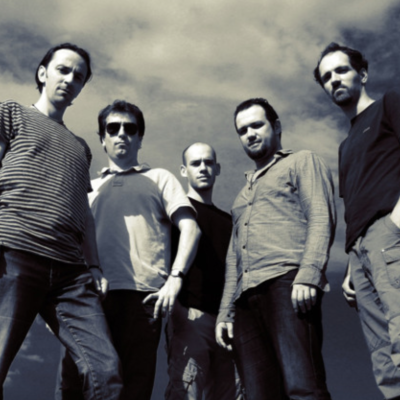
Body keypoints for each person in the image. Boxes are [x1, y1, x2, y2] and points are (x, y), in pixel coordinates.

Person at [0, 43, 123, 399]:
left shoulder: (80, 148)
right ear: (43, 73)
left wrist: (94, 266)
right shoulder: (11, 114)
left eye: (79, 76)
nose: (70, 79)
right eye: (63, 70)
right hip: (14, 252)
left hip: (71, 274)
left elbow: (84, 212)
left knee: (106, 372)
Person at [56, 100, 201, 400]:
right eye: (113, 128)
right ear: (102, 138)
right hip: (88, 298)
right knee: (74, 386)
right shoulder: (89, 188)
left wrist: (175, 278)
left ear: (140, 138)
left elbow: (190, 228)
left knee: (133, 388)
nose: (121, 133)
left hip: (143, 298)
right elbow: (69, 243)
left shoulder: (160, 178)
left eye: (130, 128)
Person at [215, 98, 336, 400]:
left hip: (288, 284)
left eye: (257, 125)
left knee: (302, 386)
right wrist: (225, 312)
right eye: (243, 130)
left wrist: (309, 274)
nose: (250, 134)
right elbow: (233, 258)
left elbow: (320, 215)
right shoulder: (241, 196)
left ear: (276, 126)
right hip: (244, 301)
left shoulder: (301, 161)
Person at [314, 42, 400, 399]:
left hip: (389, 235)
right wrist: (351, 264)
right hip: (359, 254)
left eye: (341, 70)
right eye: (326, 77)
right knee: (384, 361)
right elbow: (353, 206)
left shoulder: (389, 105)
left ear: (362, 74)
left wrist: (395, 223)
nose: (334, 79)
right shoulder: (345, 145)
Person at [165, 142, 242, 400]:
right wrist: (177, 311)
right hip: (190, 319)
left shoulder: (229, 222)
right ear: (183, 170)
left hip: (227, 323)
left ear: (217, 168)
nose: (203, 168)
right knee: (186, 391)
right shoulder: (176, 214)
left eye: (208, 162)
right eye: (195, 163)